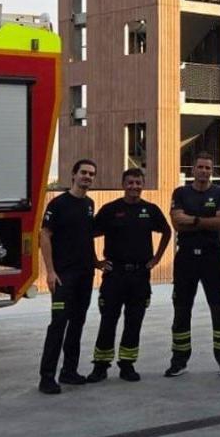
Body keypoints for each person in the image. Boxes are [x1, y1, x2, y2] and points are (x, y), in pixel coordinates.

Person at [87, 167, 171, 383]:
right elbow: (88, 233)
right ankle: (100, 366)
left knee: (134, 322)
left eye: (138, 182)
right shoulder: (110, 209)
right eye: (130, 182)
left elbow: (167, 231)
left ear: (143, 184)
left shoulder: (150, 210)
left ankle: (127, 364)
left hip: (140, 276)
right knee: (108, 320)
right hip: (114, 276)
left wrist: (157, 259)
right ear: (124, 184)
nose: (134, 186)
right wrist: (96, 261)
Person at [166, 152, 220, 378]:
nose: (204, 171)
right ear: (192, 170)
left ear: (212, 171)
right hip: (186, 258)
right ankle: (179, 361)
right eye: (200, 167)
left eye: (208, 168)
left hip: (212, 258)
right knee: (182, 310)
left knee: (219, 310)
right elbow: (177, 223)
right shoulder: (180, 192)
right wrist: (206, 222)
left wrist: (193, 219)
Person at [38, 159, 98, 394]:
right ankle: (47, 376)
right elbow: (45, 236)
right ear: (73, 175)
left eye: (91, 174)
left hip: (85, 275)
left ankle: (69, 371)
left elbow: (86, 237)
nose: (87, 177)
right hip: (64, 276)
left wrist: (96, 262)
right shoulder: (58, 204)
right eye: (83, 173)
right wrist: (51, 272)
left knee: (78, 323)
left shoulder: (90, 204)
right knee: (58, 324)